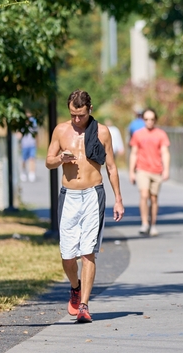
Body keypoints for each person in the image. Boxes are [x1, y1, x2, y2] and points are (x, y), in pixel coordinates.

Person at [44, 90, 124, 324]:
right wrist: (61, 159)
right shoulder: (61, 130)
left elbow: (111, 167)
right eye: (73, 115)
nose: (77, 120)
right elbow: (49, 161)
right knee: (67, 255)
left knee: (88, 252)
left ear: (90, 109)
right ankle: (75, 287)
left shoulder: (102, 132)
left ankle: (84, 306)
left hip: (93, 194)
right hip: (69, 195)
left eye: (80, 115)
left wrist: (118, 199)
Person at [128, 108, 170, 236]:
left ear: (155, 120)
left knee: (154, 198)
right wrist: (131, 171)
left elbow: (165, 152)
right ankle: (144, 223)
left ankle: (153, 225)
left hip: (156, 170)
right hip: (142, 169)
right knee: (144, 195)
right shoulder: (138, 134)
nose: (149, 122)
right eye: (146, 119)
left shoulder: (161, 134)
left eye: (152, 119)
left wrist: (166, 170)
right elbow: (134, 153)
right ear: (143, 120)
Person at [20, 115, 38, 182]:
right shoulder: (22, 123)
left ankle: (31, 173)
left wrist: (37, 142)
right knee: (24, 160)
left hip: (32, 144)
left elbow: (36, 133)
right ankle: (23, 172)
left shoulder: (33, 122)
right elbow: (19, 134)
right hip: (24, 144)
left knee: (32, 159)